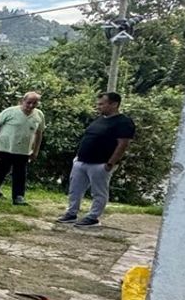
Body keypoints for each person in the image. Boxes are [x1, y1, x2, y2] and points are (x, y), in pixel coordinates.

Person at [57, 92, 135, 227]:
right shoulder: (99, 119)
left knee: (98, 192)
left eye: (101, 104)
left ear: (114, 104)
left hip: (101, 163)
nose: (98, 107)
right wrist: (77, 158)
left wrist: (111, 163)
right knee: (75, 189)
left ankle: (93, 217)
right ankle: (71, 213)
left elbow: (123, 144)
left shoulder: (123, 122)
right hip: (82, 161)